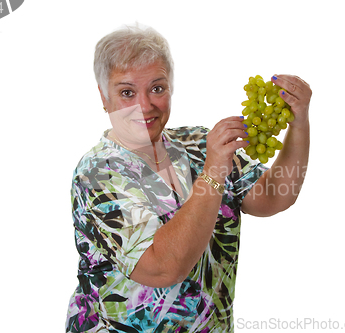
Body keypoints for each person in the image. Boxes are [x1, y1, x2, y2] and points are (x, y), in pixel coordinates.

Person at [66, 24, 312, 333]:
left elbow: (275, 197)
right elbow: (163, 268)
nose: (145, 106)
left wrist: (299, 123)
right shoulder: (97, 174)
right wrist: (213, 173)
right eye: (127, 92)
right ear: (104, 97)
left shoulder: (198, 144)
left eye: (157, 88)